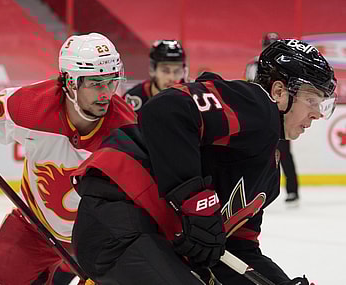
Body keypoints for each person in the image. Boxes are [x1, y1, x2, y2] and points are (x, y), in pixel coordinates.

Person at [70, 39, 337, 285]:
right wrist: (196, 201)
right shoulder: (256, 105)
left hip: (142, 238)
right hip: (120, 216)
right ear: (279, 91)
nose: (317, 113)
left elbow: (236, 249)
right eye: (311, 99)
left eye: (322, 103)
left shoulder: (267, 170)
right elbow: (166, 110)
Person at [0, 32, 136, 285]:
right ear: (69, 82)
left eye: (111, 81)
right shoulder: (31, 106)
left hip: (102, 239)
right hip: (33, 229)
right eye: (96, 83)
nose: (106, 94)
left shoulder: (128, 129)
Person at [246, 32, 299, 204]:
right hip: (260, 113)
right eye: (268, 46)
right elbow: (250, 87)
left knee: (284, 153)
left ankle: (292, 190)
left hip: (279, 114)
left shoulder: (286, 67)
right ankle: (252, 191)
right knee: (255, 152)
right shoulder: (254, 64)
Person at [123, 39, 187, 116]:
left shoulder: (190, 97)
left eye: (177, 71)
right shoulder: (134, 98)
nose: (172, 78)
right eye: (165, 71)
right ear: (152, 70)